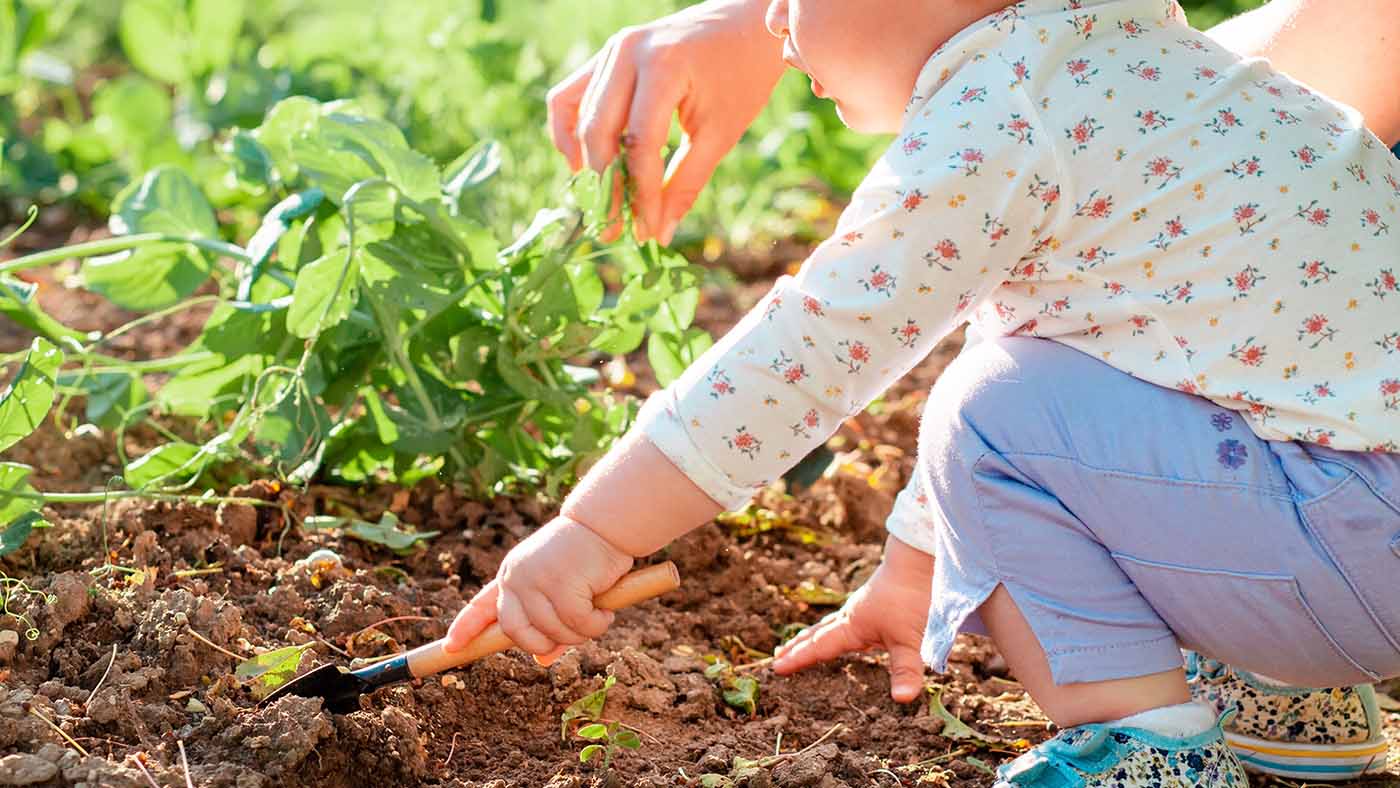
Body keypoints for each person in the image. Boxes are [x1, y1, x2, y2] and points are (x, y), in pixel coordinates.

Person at [446, 1, 1400, 784]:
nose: (772, 22)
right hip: (1359, 539)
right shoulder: (1138, 58)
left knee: (992, 408)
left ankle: (1149, 756)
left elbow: (808, 351)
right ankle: (1288, 699)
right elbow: (1055, 372)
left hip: (1345, 546)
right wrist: (914, 567)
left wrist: (595, 532)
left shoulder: (1001, 110)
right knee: (1069, 396)